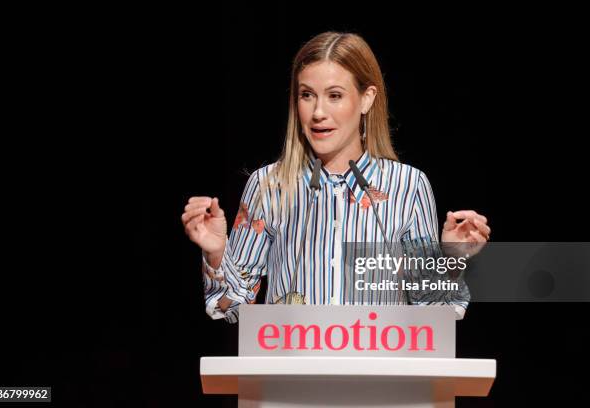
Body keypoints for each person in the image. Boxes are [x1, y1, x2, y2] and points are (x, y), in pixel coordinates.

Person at [182, 32, 491, 323]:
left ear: (367, 99)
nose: (318, 112)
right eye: (307, 95)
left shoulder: (408, 186)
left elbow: (436, 311)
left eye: (334, 95)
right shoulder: (269, 186)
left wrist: (453, 258)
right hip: (291, 375)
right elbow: (234, 309)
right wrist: (217, 252)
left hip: (379, 375)